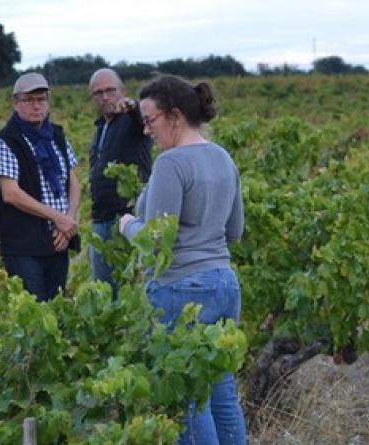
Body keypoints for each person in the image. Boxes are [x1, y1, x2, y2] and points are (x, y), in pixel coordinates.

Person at [118, 75, 246, 445]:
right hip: (224, 284)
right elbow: (235, 231)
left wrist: (128, 225)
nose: (146, 129)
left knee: (187, 399)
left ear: (174, 116)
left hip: (181, 288)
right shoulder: (222, 157)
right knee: (222, 391)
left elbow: (157, 243)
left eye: (150, 119)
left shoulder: (171, 164)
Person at [0, 72, 80, 302]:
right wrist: (57, 218)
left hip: (59, 240)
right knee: (32, 312)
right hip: (24, 245)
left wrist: (68, 219)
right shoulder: (5, 141)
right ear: (16, 103)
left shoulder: (56, 136)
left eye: (41, 99)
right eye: (28, 100)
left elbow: (74, 183)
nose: (35, 106)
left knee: (56, 309)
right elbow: (11, 194)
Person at [86, 68, 153, 295]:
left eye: (110, 90)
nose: (105, 97)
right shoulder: (101, 128)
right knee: (105, 291)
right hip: (101, 219)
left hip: (129, 218)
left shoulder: (134, 121)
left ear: (122, 91)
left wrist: (132, 105)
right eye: (98, 93)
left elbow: (137, 112)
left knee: (134, 290)